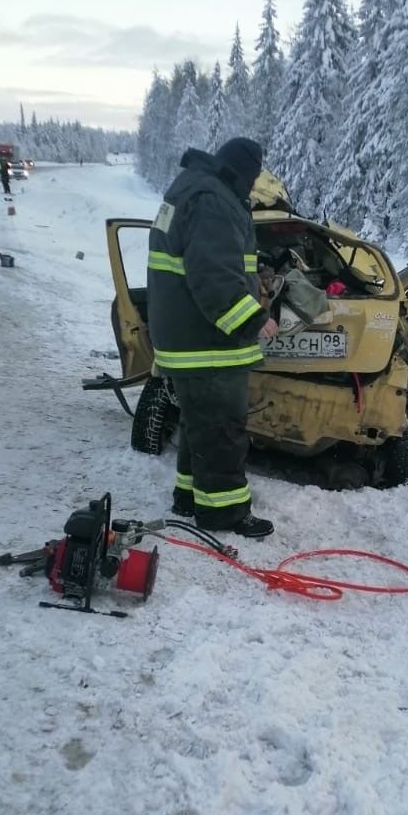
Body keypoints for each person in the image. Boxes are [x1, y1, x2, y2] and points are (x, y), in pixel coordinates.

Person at [147, 137, 278, 539]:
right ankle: (225, 514)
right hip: (207, 344)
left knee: (200, 424)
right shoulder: (213, 202)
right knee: (222, 429)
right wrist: (254, 321)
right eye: (254, 179)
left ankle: (190, 498)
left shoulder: (190, 188)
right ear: (243, 172)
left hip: (186, 340)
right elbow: (214, 280)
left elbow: (209, 261)